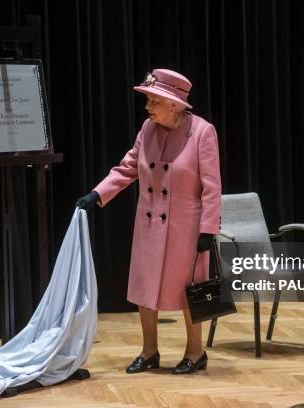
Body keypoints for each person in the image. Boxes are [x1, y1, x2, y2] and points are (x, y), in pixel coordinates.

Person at [76, 69, 221, 373]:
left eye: (154, 100)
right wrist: (97, 194)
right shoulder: (148, 129)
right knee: (144, 289)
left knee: (189, 292)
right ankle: (149, 351)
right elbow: (127, 168)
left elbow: (211, 187)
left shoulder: (203, 132)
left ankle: (196, 352)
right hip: (149, 224)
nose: (148, 106)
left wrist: (208, 229)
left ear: (174, 104)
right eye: (149, 100)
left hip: (186, 230)